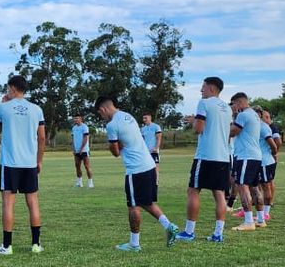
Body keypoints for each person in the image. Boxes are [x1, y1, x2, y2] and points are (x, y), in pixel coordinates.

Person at [96, 97, 180, 251]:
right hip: (149, 165)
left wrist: (114, 145)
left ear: (103, 109)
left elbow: (115, 152)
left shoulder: (112, 125)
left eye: (101, 114)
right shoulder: (128, 116)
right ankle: (169, 226)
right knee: (147, 203)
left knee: (133, 206)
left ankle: (134, 244)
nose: (102, 117)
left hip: (136, 170)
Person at [0, 75, 45, 255]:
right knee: (33, 202)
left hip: (10, 163)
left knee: (8, 204)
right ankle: (36, 244)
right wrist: (39, 160)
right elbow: (42, 137)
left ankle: (7, 246)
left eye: (8, 89)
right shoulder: (37, 109)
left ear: (12, 88)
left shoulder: (3, 107)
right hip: (29, 163)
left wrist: (2, 104)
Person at [175, 77, 231, 244]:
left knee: (193, 190)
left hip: (206, 156)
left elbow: (199, 129)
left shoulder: (204, 103)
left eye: (203, 87)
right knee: (219, 194)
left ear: (211, 88)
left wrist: (193, 121)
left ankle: (189, 232)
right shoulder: (227, 108)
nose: (201, 90)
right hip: (223, 157)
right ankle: (218, 234)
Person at [229, 93, 265, 231]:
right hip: (255, 156)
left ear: (238, 102)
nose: (233, 107)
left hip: (245, 156)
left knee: (243, 187)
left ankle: (249, 221)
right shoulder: (254, 115)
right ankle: (261, 219)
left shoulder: (243, 115)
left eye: (233, 104)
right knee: (254, 188)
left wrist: (232, 117)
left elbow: (232, 132)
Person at [258, 107, 281, 220]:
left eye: (268, 117)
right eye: (266, 117)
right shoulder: (262, 126)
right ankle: (263, 211)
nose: (268, 119)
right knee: (262, 185)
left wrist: (274, 153)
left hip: (264, 161)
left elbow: (276, 143)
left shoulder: (265, 127)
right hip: (264, 160)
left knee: (266, 185)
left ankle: (265, 213)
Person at [71, 114, 94, 188]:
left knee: (87, 166)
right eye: (75, 118)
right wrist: (74, 149)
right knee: (77, 166)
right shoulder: (74, 128)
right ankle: (79, 183)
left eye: (77, 118)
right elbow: (73, 139)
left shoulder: (84, 127)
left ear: (81, 119)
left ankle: (90, 183)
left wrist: (81, 149)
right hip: (76, 151)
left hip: (84, 150)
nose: (76, 120)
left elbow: (85, 138)